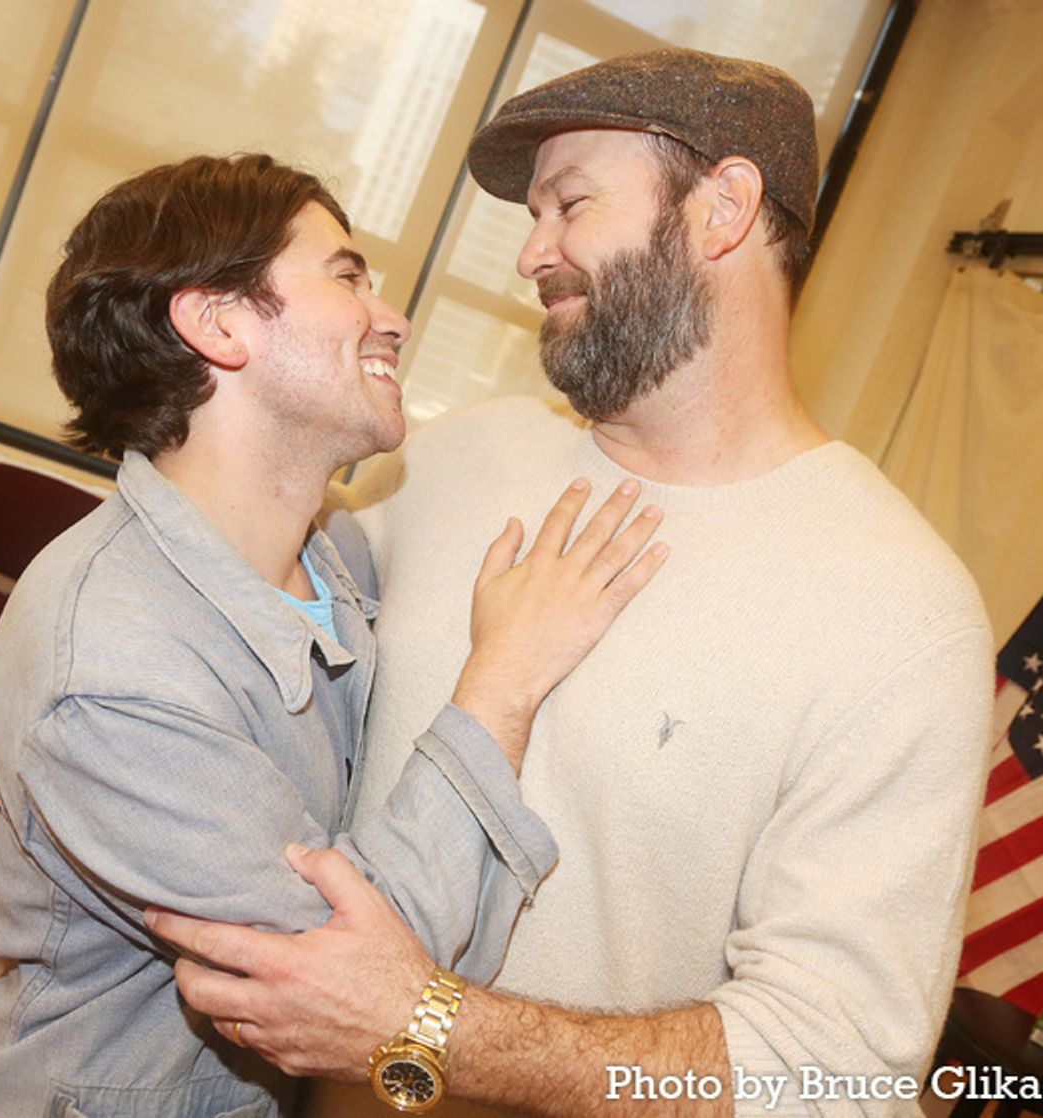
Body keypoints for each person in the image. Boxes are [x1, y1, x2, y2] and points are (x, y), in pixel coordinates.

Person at [144, 50, 997, 1117]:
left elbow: (841, 1067)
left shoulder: (900, 612)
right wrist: (69, 660)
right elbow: (227, 587)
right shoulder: (453, 457)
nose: (529, 254)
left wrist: (432, 1026)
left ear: (722, 208)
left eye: (570, 204)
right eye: (532, 214)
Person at [0, 152, 666, 1117]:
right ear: (218, 323)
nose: (393, 318)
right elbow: (355, 979)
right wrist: (502, 682)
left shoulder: (328, 560)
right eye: (347, 277)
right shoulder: (112, 665)